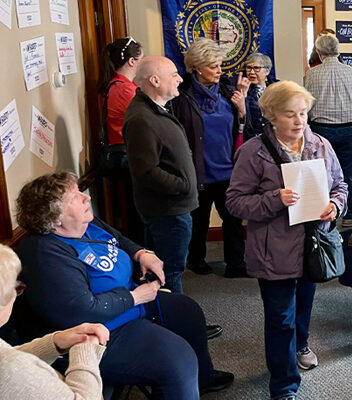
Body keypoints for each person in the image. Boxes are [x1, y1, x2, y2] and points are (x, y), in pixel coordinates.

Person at [15, 172, 234, 399]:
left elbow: (118, 239)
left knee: (188, 312)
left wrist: (141, 253)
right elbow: (81, 309)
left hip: (134, 301)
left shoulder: (86, 224)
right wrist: (135, 297)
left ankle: (201, 381)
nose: (86, 198)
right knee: (178, 358)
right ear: (55, 218)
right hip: (104, 329)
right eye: (75, 197)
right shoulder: (45, 252)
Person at [227, 80, 347, 400]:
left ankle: (301, 344)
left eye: (304, 113)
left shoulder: (320, 144)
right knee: (280, 318)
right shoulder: (253, 152)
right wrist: (274, 199)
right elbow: (235, 202)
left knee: (303, 307)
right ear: (270, 116)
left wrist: (335, 206)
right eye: (290, 115)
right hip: (273, 250)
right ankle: (284, 385)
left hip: (312, 244)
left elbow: (340, 187)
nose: (299, 122)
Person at [171, 37, 249, 279]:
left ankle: (235, 264)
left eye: (220, 65)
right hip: (199, 172)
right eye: (213, 66)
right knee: (199, 221)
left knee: (234, 220)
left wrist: (243, 109)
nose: (219, 70)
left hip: (228, 171)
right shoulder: (182, 98)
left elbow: (246, 130)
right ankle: (196, 260)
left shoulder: (228, 93)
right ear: (197, 68)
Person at [124, 56, 198, 295]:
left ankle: (171, 319)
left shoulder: (156, 109)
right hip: (168, 211)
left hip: (172, 208)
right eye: (174, 74)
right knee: (169, 271)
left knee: (167, 269)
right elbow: (146, 172)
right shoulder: (141, 119)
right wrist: (184, 186)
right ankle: (177, 323)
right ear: (155, 80)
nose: (179, 79)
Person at [0, 244, 109, 400]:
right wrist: (85, 351)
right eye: (15, 288)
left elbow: (7, 355)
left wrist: (54, 343)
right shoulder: (12, 370)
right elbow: (11, 367)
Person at [304, 34, 352, 224]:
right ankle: (350, 214)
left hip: (321, 131)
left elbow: (307, 105)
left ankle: (322, 212)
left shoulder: (311, 74)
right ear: (338, 51)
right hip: (348, 129)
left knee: (321, 174)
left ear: (319, 53)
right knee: (348, 173)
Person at [97, 36, 145, 243]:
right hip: (127, 155)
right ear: (132, 61)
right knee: (137, 213)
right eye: (141, 58)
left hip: (125, 153)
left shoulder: (119, 85)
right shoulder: (125, 89)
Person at [243, 52, 277, 142]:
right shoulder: (243, 89)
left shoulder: (277, 89)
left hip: (275, 138)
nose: (251, 72)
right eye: (249, 68)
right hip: (252, 139)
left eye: (256, 68)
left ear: (267, 71)